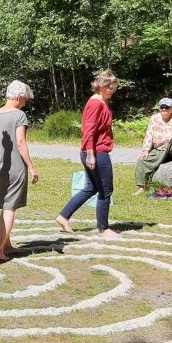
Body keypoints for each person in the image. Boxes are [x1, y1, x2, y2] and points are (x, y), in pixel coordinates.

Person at [56, 70, 121, 239]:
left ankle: (63, 216)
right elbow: (88, 130)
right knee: (106, 190)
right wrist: (91, 155)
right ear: (101, 86)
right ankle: (103, 228)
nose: (112, 91)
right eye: (109, 88)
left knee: (91, 188)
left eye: (114, 88)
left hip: (95, 151)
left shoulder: (101, 102)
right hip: (96, 152)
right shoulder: (96, 103)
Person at [0, 81, 38, 262]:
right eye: (24, 98)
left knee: (6, 205)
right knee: (10, 207)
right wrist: (31, 167)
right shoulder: (19, 115)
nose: (25, 102)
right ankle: (0, 250)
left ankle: (7, 244)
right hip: (15, 167)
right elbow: (21, 142)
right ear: (18, 97)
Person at [134, 97, 172, 197]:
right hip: (160, 149)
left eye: (166, 107)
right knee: (142, 160)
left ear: (171, 108)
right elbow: (149, 134)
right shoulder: (154, 118)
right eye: (162, 107)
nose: (164, 109)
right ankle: (142, 186)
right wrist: (146, 150)